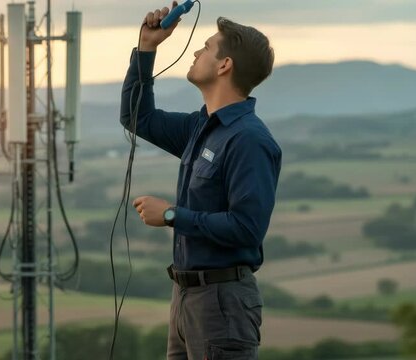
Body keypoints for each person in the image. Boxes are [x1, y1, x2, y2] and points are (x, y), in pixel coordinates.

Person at [121, 2, 282, 359]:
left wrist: (171, 215)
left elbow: (247, 228)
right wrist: (147, 48)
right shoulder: (201, 126)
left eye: (207, 47)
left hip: (222, 304)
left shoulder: (249, 140)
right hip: (185, 298)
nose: (196, 50)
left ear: (225, 65)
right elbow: (137, 118)